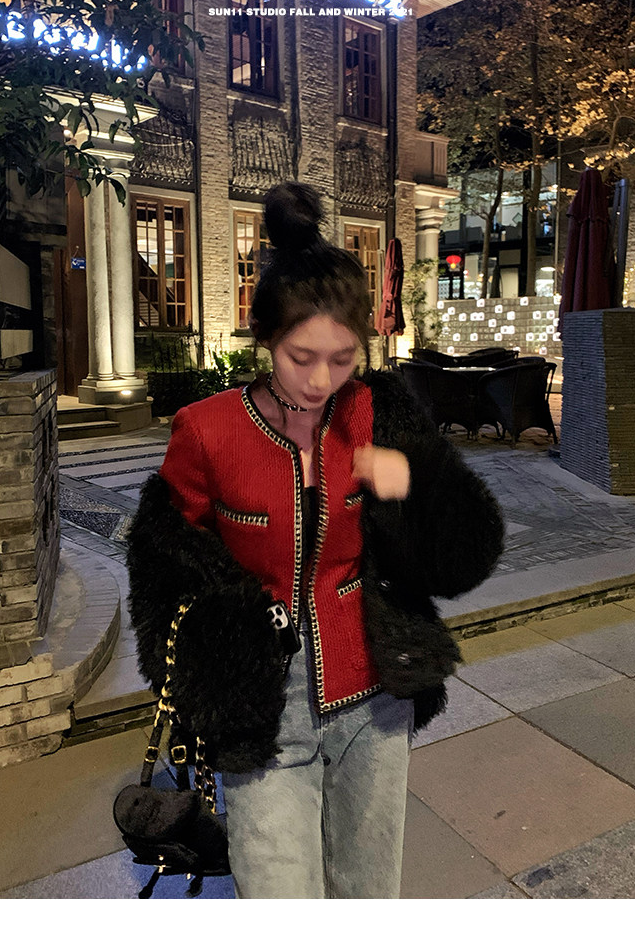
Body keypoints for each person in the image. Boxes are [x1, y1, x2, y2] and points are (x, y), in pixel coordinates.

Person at [127, 181, 504, 899]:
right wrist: (217, 672)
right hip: (261, 702)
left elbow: (466, 555)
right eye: (301, 357)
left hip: (374, 689)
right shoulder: (208, 431)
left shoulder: (378, 411)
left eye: (343, 357)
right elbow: (161, 567)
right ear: (266, 338)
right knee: (278, 891)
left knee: (368, 890)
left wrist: (418, 480)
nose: (322, 380)